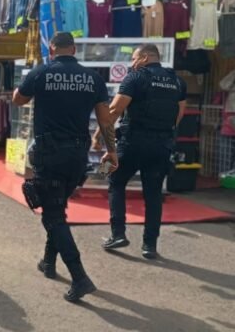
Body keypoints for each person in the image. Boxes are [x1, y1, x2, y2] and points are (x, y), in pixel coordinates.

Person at [12, 32, 118, 303]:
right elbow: (105, 120)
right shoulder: (93, 78)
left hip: (50, 154)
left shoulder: (41, 72)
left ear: (51, 49)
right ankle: (48, 261)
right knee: (57, 205)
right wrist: (111, 151)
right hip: (78, 155)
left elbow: (18, 100)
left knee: (53, 216)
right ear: (73, 49)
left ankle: (79, 277)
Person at [102, 44, 187, 259]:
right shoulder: (177, 81)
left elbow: (114, 110)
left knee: (115, 181)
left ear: (146, 57)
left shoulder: (135, 78)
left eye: (134, 58)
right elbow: (178, 115)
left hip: (133, 142)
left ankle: (118, 233)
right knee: (153, 194)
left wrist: (100, 138)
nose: (132, 63)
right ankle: (150, 245)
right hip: (161, 145)